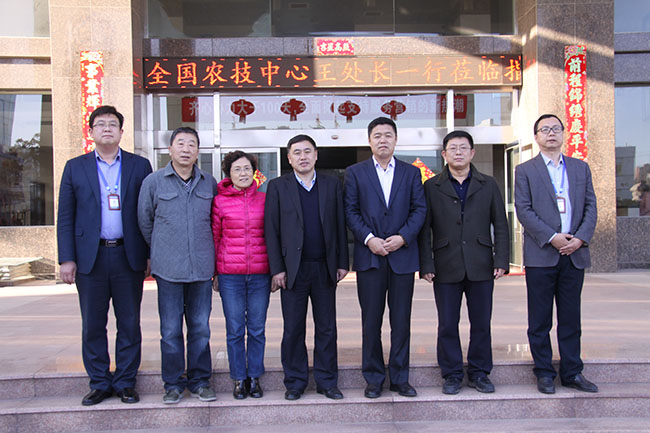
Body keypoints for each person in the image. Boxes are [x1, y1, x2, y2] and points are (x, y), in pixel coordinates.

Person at [57, 105, 152, 406]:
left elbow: (149, 213)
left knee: (129, 323)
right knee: (93, 324)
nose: (107, 128)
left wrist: (150, 254)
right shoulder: (75, 167)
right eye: (101, 124)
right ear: (91, 131)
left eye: (113, 124)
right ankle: (99, 382)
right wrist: (66, 258)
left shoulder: (140, 166)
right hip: (91, 258)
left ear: (122, 132)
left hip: (128, 255)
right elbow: (66, 216)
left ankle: (125, 382)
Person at [418, 130, 509, 395]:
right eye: (453, 148)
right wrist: (426, 264)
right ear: (444, 154)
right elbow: (424, 230)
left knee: (481, 322)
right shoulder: (431, 186)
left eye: (463, 148)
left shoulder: (488, 184)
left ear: (472, 153)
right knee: (447, 323)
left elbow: (500, 224)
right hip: (445, 264)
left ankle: (480, 373)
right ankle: (452, 374)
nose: (458, 152)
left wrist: (501, 259)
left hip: (481, 263)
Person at [514, 114, 598, 394]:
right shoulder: (525, 170)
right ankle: (544, 372)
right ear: (536, 137)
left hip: (574, 253)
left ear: (563, 133)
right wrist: (552, 237)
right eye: (544, 129)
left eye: (555, 129)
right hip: (541, 255)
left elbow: (591, 206)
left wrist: (580, 238)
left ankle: (572, 372)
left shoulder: (580, 168)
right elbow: (524, 210)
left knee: (571, 318)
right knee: (540, 319)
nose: (551, 133)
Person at [344, 117, 426, 398]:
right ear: (369, 141)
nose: (383, 140)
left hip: (402, 257)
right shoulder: (355, 173)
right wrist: (369, 239)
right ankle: (374, 378)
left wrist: (403, 237)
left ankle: (400, 378)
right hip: (370, 258)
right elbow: (350, 211)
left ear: (396, 139)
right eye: (377, 135)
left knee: (401, 322)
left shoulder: (411, 173)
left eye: (388, 135)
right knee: (371, 322)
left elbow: (419, 210)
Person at [264, 134, 349, 401]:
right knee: (293, 329)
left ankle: (327, 381)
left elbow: (340, 224)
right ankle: (295, 382)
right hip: (293, 270)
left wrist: (342, 262)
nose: (303, 157)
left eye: (307, 151)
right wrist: (277, 269)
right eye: (297, 153)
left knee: (327, 328)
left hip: (324, 267)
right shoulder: (278, 187)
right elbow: (271, 230)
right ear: (289, 158)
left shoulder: (331, 184)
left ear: (316, 155)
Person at [138, 126, 218, 404]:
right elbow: (145, 221)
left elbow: (215, 222)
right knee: (170, 330)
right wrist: (162, 248)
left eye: (191, 144)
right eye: (180, 143)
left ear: (198, 151)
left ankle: (200, 382)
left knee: (200, 328)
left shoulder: (209, 183)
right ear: (170, 149)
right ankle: (172, 384)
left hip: (202, 269)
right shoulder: (153, 182)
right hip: (168, 269)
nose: (186, 149)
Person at [211, 150, 271, 400]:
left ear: (254, 172)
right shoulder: (219, 202)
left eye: (247, 168)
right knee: (235, 329)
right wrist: (215, 272)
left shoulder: (265, 199)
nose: (243, 173)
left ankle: (254, 377)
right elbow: (215, 238)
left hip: (260, 274)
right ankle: (238, 378)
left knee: (257, 329)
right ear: (229, 174)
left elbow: (273, 236)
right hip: (230, 276)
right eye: (237, 169)